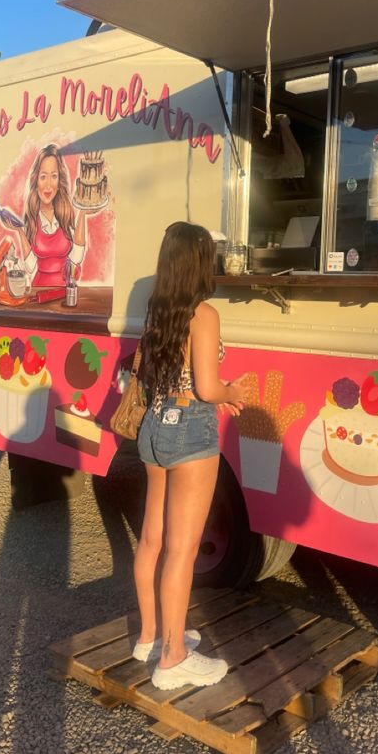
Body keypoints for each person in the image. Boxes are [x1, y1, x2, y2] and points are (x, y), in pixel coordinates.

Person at [133, 222, 248, 689]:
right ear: (199, 261)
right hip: (190, 432)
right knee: (181, 551)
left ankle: (149, 637)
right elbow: (204, 386)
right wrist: (230, 391)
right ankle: (173, 658)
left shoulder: (156, 308)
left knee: (151, 540)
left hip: (154, 427)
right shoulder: (204, 315)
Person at [5, 144, 89, 287]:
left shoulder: (65, 215)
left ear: (59, 180)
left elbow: (77, 257)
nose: (49, 185)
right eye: (43, 177)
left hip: (65, 291)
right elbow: (30, 267)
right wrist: (19, 231)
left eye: (54, 176)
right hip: (39, 291)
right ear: (36, 180)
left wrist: (83, 212)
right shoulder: (31, 219)